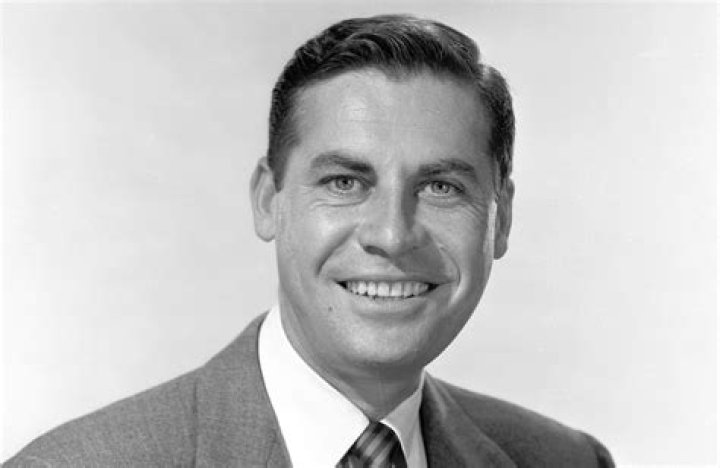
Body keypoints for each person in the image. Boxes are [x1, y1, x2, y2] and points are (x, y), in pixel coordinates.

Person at [6, 14, 614, 467]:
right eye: (345, 182)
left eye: (441, 187)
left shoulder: (566, 460)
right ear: (268, 200)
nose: (392, 234)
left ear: (500, 220)